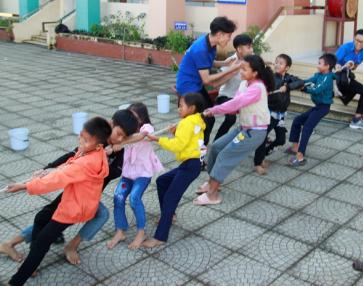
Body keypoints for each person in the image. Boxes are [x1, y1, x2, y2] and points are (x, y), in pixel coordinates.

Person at [0, 110, 138, 265]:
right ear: (110, 124)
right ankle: (32, 250)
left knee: (54, 219)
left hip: (86, 196)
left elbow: (115, 172)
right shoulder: (94, 142)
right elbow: (70, 157)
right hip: (76, 193)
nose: (119, 138)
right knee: (58, 218)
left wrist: (118, 147)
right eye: (118, 134)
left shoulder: (117, 149)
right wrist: (47, 169)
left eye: (124, 137)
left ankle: (16, 245)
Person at [4, 117, 112, 286]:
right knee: (41, 217)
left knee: (42, 241)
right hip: (75, 197)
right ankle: (32, 263)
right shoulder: (93, 151)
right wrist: (50, 169)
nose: (81, 141)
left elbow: (57, 179)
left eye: (86, 140)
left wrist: (25, 186)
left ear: (99, 146)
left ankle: (16, 281)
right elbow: (69, 163)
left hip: (75, 207)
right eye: (81, 136)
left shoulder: (85, 163)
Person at [194, 55, 275, 205]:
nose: (241, 71)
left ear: (255, 72)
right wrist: (210, 112)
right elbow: (235, 106)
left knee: (225, 155)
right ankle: (212, 181)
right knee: (217, 146)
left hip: (254, 132)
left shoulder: (257, 87)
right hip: (243, 128)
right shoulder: (244, 84)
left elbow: (237, 103)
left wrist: (214, 110)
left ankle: (212, 195)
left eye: (244, 69)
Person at [141, 92, 207, 248]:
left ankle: (160, 237)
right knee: (162, 181)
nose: (178, 109)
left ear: (192, 108)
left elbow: (178, 145)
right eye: (178, 105)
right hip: (191, 164)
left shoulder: (187, 123)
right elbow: (187, 139)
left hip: (190, 165)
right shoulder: (196, 119)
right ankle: (170, 215)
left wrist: (157, 139)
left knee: (171, 197)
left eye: (181, 106)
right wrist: (175, 132)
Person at [175, 16, 242, 146]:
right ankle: (197, 150)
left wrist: (224, 63)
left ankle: (199, 147)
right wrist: (230, 70)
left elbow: (207, 63)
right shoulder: (201, 48)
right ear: (219, 35)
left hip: (195, 84)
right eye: (228, 36)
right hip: (187, 86)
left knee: (209, 114)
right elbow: (206, 79)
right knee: (205, 120)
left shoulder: (209, 42)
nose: (229, 39)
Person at [106, 103, 164, 250]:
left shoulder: (147, 129)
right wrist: (114, 144)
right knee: (118, 197)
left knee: (134, 198)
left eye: (135, 117)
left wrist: (121, 141)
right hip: (127, 172)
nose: (131, 120)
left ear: (142, 118)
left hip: (143, 173)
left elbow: (141, 137)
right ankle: (120, 231)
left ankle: (141, 232)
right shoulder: (125, 132)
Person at [252, 53, 304, 175]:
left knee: (281, 140)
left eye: (281, 63)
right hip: (269, 113)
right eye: (276, 62)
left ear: (287, 67)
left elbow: (301, 82)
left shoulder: (288, 78)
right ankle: (257, 163)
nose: (277, 65)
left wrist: (288, 87)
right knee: (262, 137)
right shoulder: (271, 77)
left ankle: (264, 153)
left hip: (280, 115)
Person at [285, 53, 337, 167]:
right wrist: (295, 83)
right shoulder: (319, 75)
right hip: (318, 106)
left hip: (323, 108)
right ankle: (295, 146)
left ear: (327, 66)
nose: (317, 66)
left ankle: (300, 156)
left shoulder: (327, 78)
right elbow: (307, 81)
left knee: (307, 127)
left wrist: (304, 89)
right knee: (297, 121)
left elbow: (315, 90)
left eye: (320, 64)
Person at [213, 34, 253, 141]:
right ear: (239, 49)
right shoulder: (231, 61)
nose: (251, 50)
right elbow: (216, 83)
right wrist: (232, 72)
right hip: (227, 96)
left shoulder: (252, 60)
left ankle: (254, 139)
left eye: (251, 47)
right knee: (231, 118)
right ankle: (217, 142)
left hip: (243, 97)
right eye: (248, 47)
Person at [334, 29, 363, 130]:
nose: (359, 44)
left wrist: (350, 65)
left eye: (362, 42)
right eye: (357, 40)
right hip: (336, 75)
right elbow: (333, 61)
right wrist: (339, 66)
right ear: (354, 39)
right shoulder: (345, 47)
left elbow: (355, 67)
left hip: (346, 76)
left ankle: (357, 119)